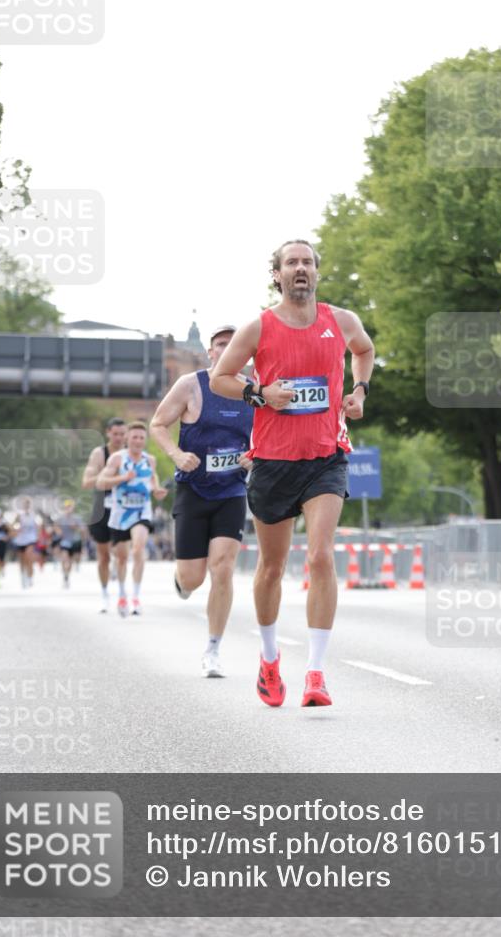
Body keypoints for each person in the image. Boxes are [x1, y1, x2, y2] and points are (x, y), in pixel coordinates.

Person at [210, 239, 374, 707]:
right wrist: (260, 394)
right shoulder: (258, 327)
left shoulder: (340, 321)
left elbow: (364, 350)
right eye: (291, 263)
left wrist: (359, 392)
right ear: (277, 275)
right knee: (272, 568)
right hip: (273, 462)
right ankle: (268, 658)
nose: (300, 268)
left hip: (327, 455)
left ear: (317, 272)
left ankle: (317, 673)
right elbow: (223, 377)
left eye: (307, 262)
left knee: (321, 557)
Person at [150, 326, 254, 677]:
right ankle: (182, 582)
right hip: (193, 491)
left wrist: (255, 456)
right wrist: (176, 455)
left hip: (232, 491)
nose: (226, 350)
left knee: (223, 567)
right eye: (220, 345)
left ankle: (213, 649)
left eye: (232, 345)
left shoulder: (253, 390)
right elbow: (158, 424)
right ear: (210, 353)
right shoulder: (190, 385)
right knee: (193, 578)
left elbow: (267, 435)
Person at [95, 421, 167, 616]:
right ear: (127, 438)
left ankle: (136, 597)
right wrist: (122, 478)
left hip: (141, 512)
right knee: (121, 558)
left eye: (141, 438)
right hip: (119, 515)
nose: (137, 441)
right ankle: (122, 594)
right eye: (134, 437)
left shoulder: (150, 460)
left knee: (138, 549)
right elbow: (101, 482)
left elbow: (152, 481)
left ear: (145, 440)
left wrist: (157, 490)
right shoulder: (118, 459)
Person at [81, 417, 127, 612]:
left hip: (125, 508)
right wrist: (109, 476)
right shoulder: (99, 454)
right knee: (104, 556)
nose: (119, 438)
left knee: (122, 553)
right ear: (108, 433)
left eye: (122, 434)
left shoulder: (132, 454)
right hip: (102, 509)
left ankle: (123, 594)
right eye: (115, 434)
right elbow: (86, 482)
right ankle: (105, 594)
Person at [53, 500, 86, 588]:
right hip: (64, 542)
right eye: (67, 507)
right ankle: (65, 575)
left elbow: (83, 530)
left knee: (70, 562)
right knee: (65, 559)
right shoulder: (61, 518)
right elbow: (55, 526)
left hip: (74, 542)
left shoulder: (77, 518)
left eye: (70, 506)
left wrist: (76, 527)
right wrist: (59, 531)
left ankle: (67, 576)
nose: (68, 509)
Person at [11, 497, 40, 588]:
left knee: (29, 557)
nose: (26, 506)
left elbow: (38, 526)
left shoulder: (34, 515)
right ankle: (23, 576)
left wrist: (38, 536)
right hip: (20, 540)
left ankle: (30, 577)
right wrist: (16, 529)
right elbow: (13, 525)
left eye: (28, 504)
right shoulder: (19, 515)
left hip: (31, 539)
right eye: (25, 504)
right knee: (22, 561)